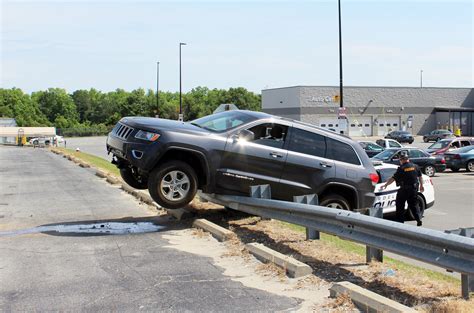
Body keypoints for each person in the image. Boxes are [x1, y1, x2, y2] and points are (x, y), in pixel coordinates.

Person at [380, 153, 424, 226]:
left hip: (404, 190)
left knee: (400, 206)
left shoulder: (401, 168)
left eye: (400, 160)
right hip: (414, 189)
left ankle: (400, 223)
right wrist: (422, 186)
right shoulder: (415, 166)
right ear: (408, 159)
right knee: (414, 205)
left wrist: (386, 184)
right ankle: (418, 219)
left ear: (402, 160)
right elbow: (420, 177)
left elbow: (393, 178)